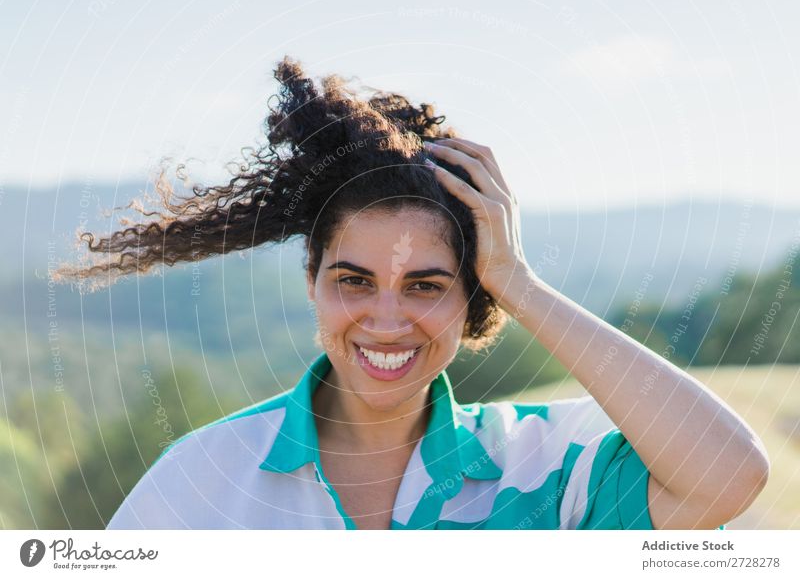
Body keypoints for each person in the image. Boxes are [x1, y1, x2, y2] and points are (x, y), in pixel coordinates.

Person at [56, 56, 769, 530]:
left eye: (426, 285)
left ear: (476, 295)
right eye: (354, 280)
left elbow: (727, 476)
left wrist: (520, 281)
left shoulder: (550, 467)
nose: (387, 318)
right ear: (313, 282)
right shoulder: (201, 482)